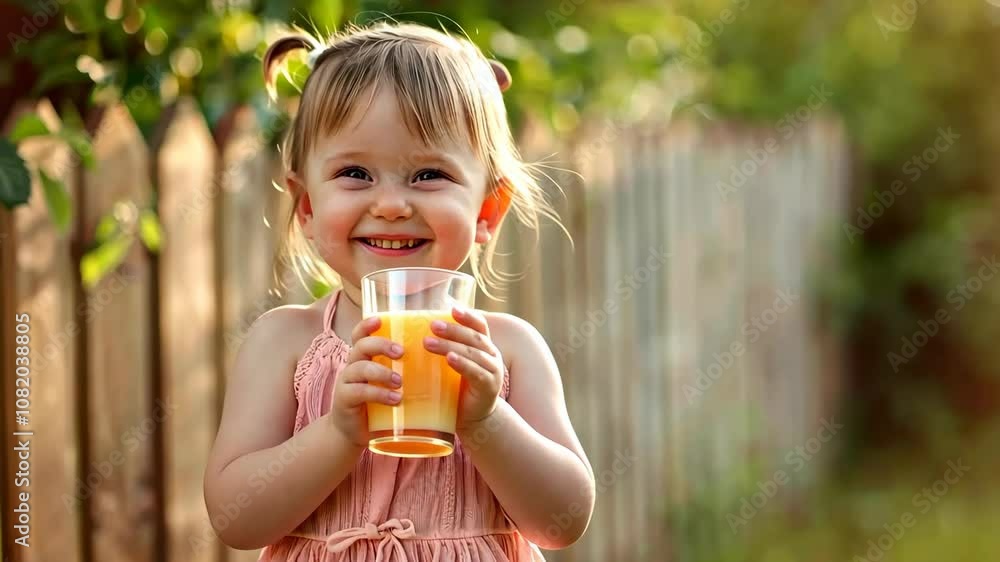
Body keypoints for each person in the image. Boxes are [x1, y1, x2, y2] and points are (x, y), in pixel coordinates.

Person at [203, 20, 595, 562]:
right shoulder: (284, 342)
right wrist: (339, 434)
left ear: (487, 212)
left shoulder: (506, 351)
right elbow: (235, 519)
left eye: (429, 175)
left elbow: (564, 519)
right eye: (357, 173)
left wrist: (485, 422)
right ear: (308, 208)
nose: (391, 204)